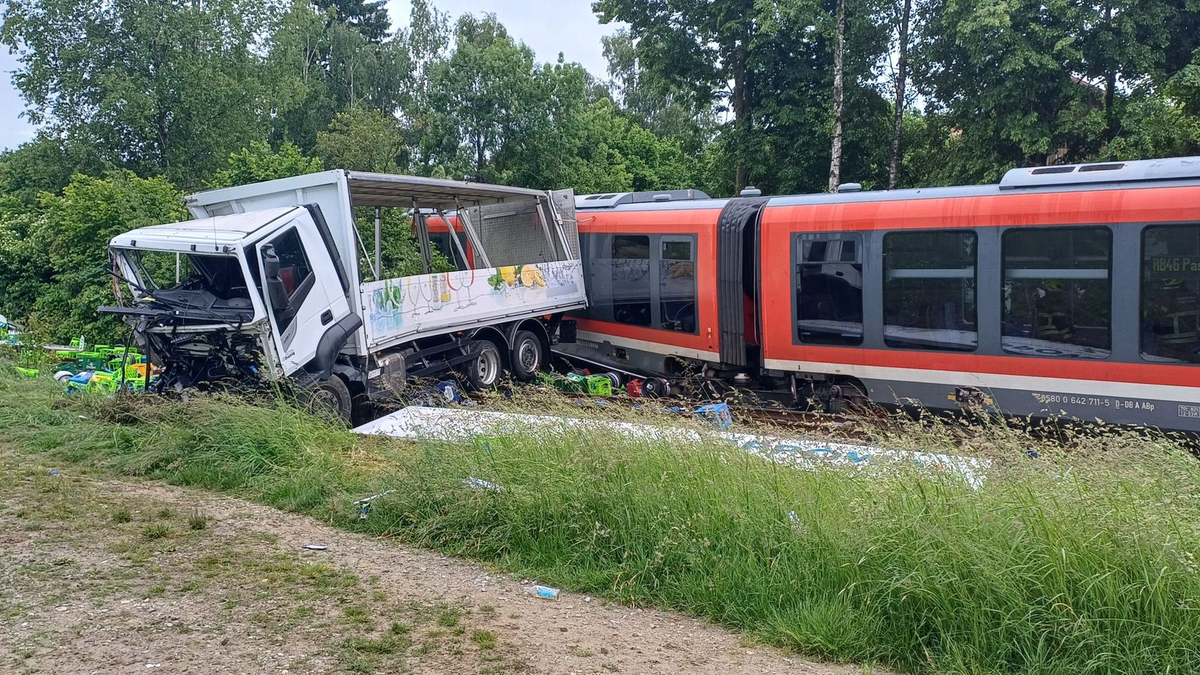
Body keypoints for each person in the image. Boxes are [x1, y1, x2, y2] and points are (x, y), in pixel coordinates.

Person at [1145, 278, 1200, 361]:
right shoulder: (1194, 296)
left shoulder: (1166, 296)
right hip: (1192, 342)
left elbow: (1157, 316)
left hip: (1171, 344)